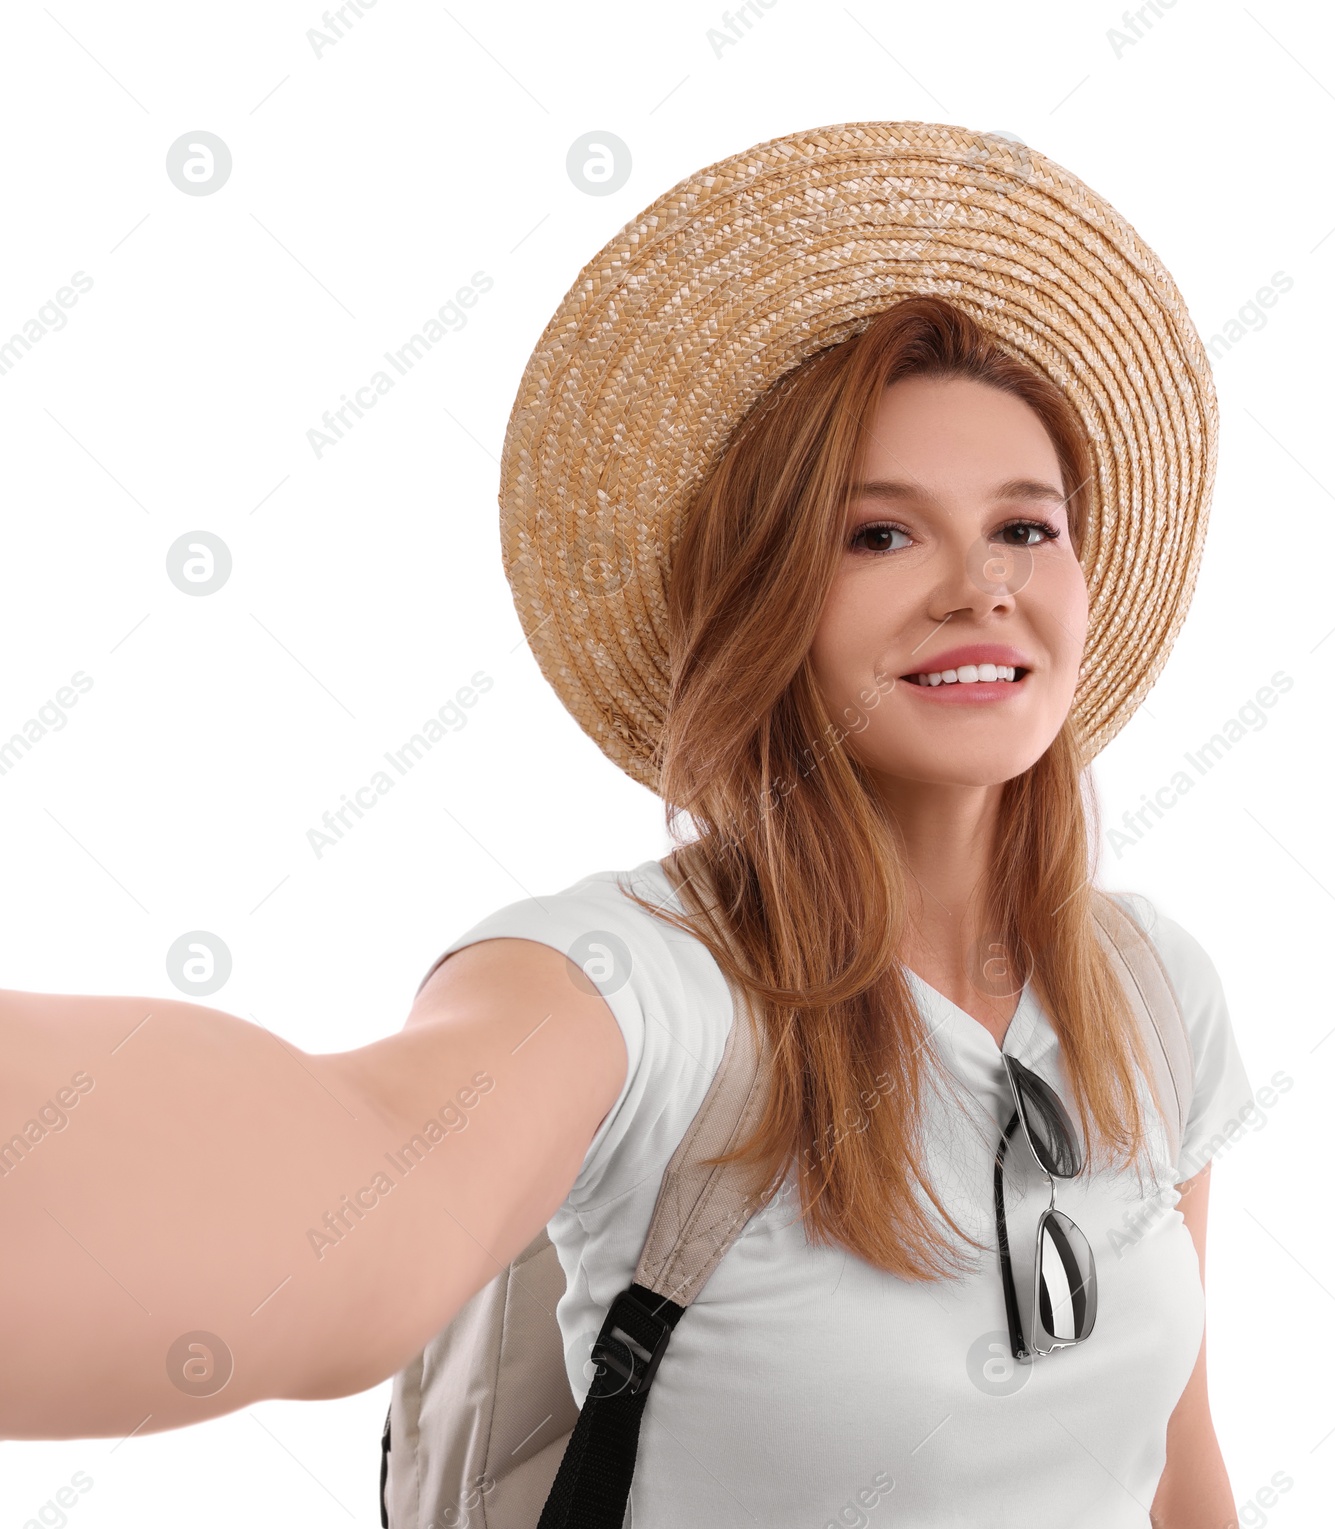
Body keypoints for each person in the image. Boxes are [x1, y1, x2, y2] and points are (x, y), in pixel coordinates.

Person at [1, 124, 1254, 1527]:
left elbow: (1174, 1470)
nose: (984, 586)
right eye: (879, 535)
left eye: (1027, 526)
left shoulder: (1155, 988)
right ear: (769, 602)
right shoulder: (637, 982)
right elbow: (362, 1183)